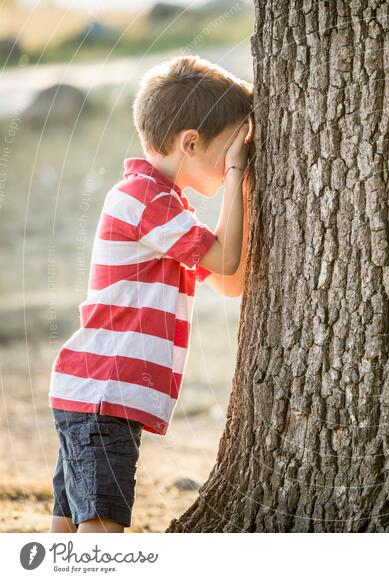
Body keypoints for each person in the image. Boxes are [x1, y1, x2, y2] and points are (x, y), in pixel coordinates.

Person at [47, 56, 253, 533]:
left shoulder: (163, 204)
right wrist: (239, 181)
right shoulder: (148, 199)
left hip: (98, 394)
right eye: (231, 152)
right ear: (191, 142)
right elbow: (224, 261)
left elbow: (230, 279)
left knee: (72, 525)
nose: (231, 165)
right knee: (100, 533)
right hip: (104, 395)